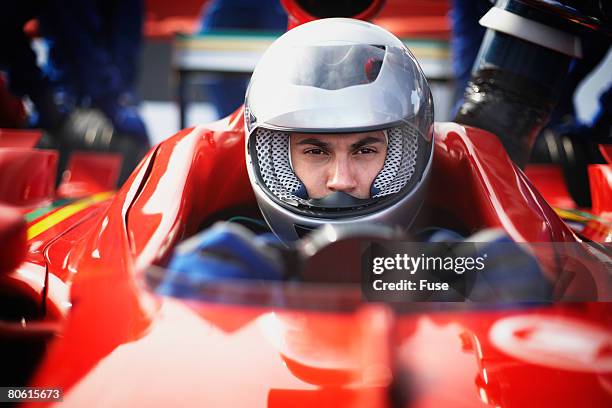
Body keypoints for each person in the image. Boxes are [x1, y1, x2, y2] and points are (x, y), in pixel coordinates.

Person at [158, 18, 437, 289]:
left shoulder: (448, 257)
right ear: (273, 158)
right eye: (316, 151)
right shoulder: (227, 254)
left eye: (365, 151)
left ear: (404, 158)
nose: (340, 181)